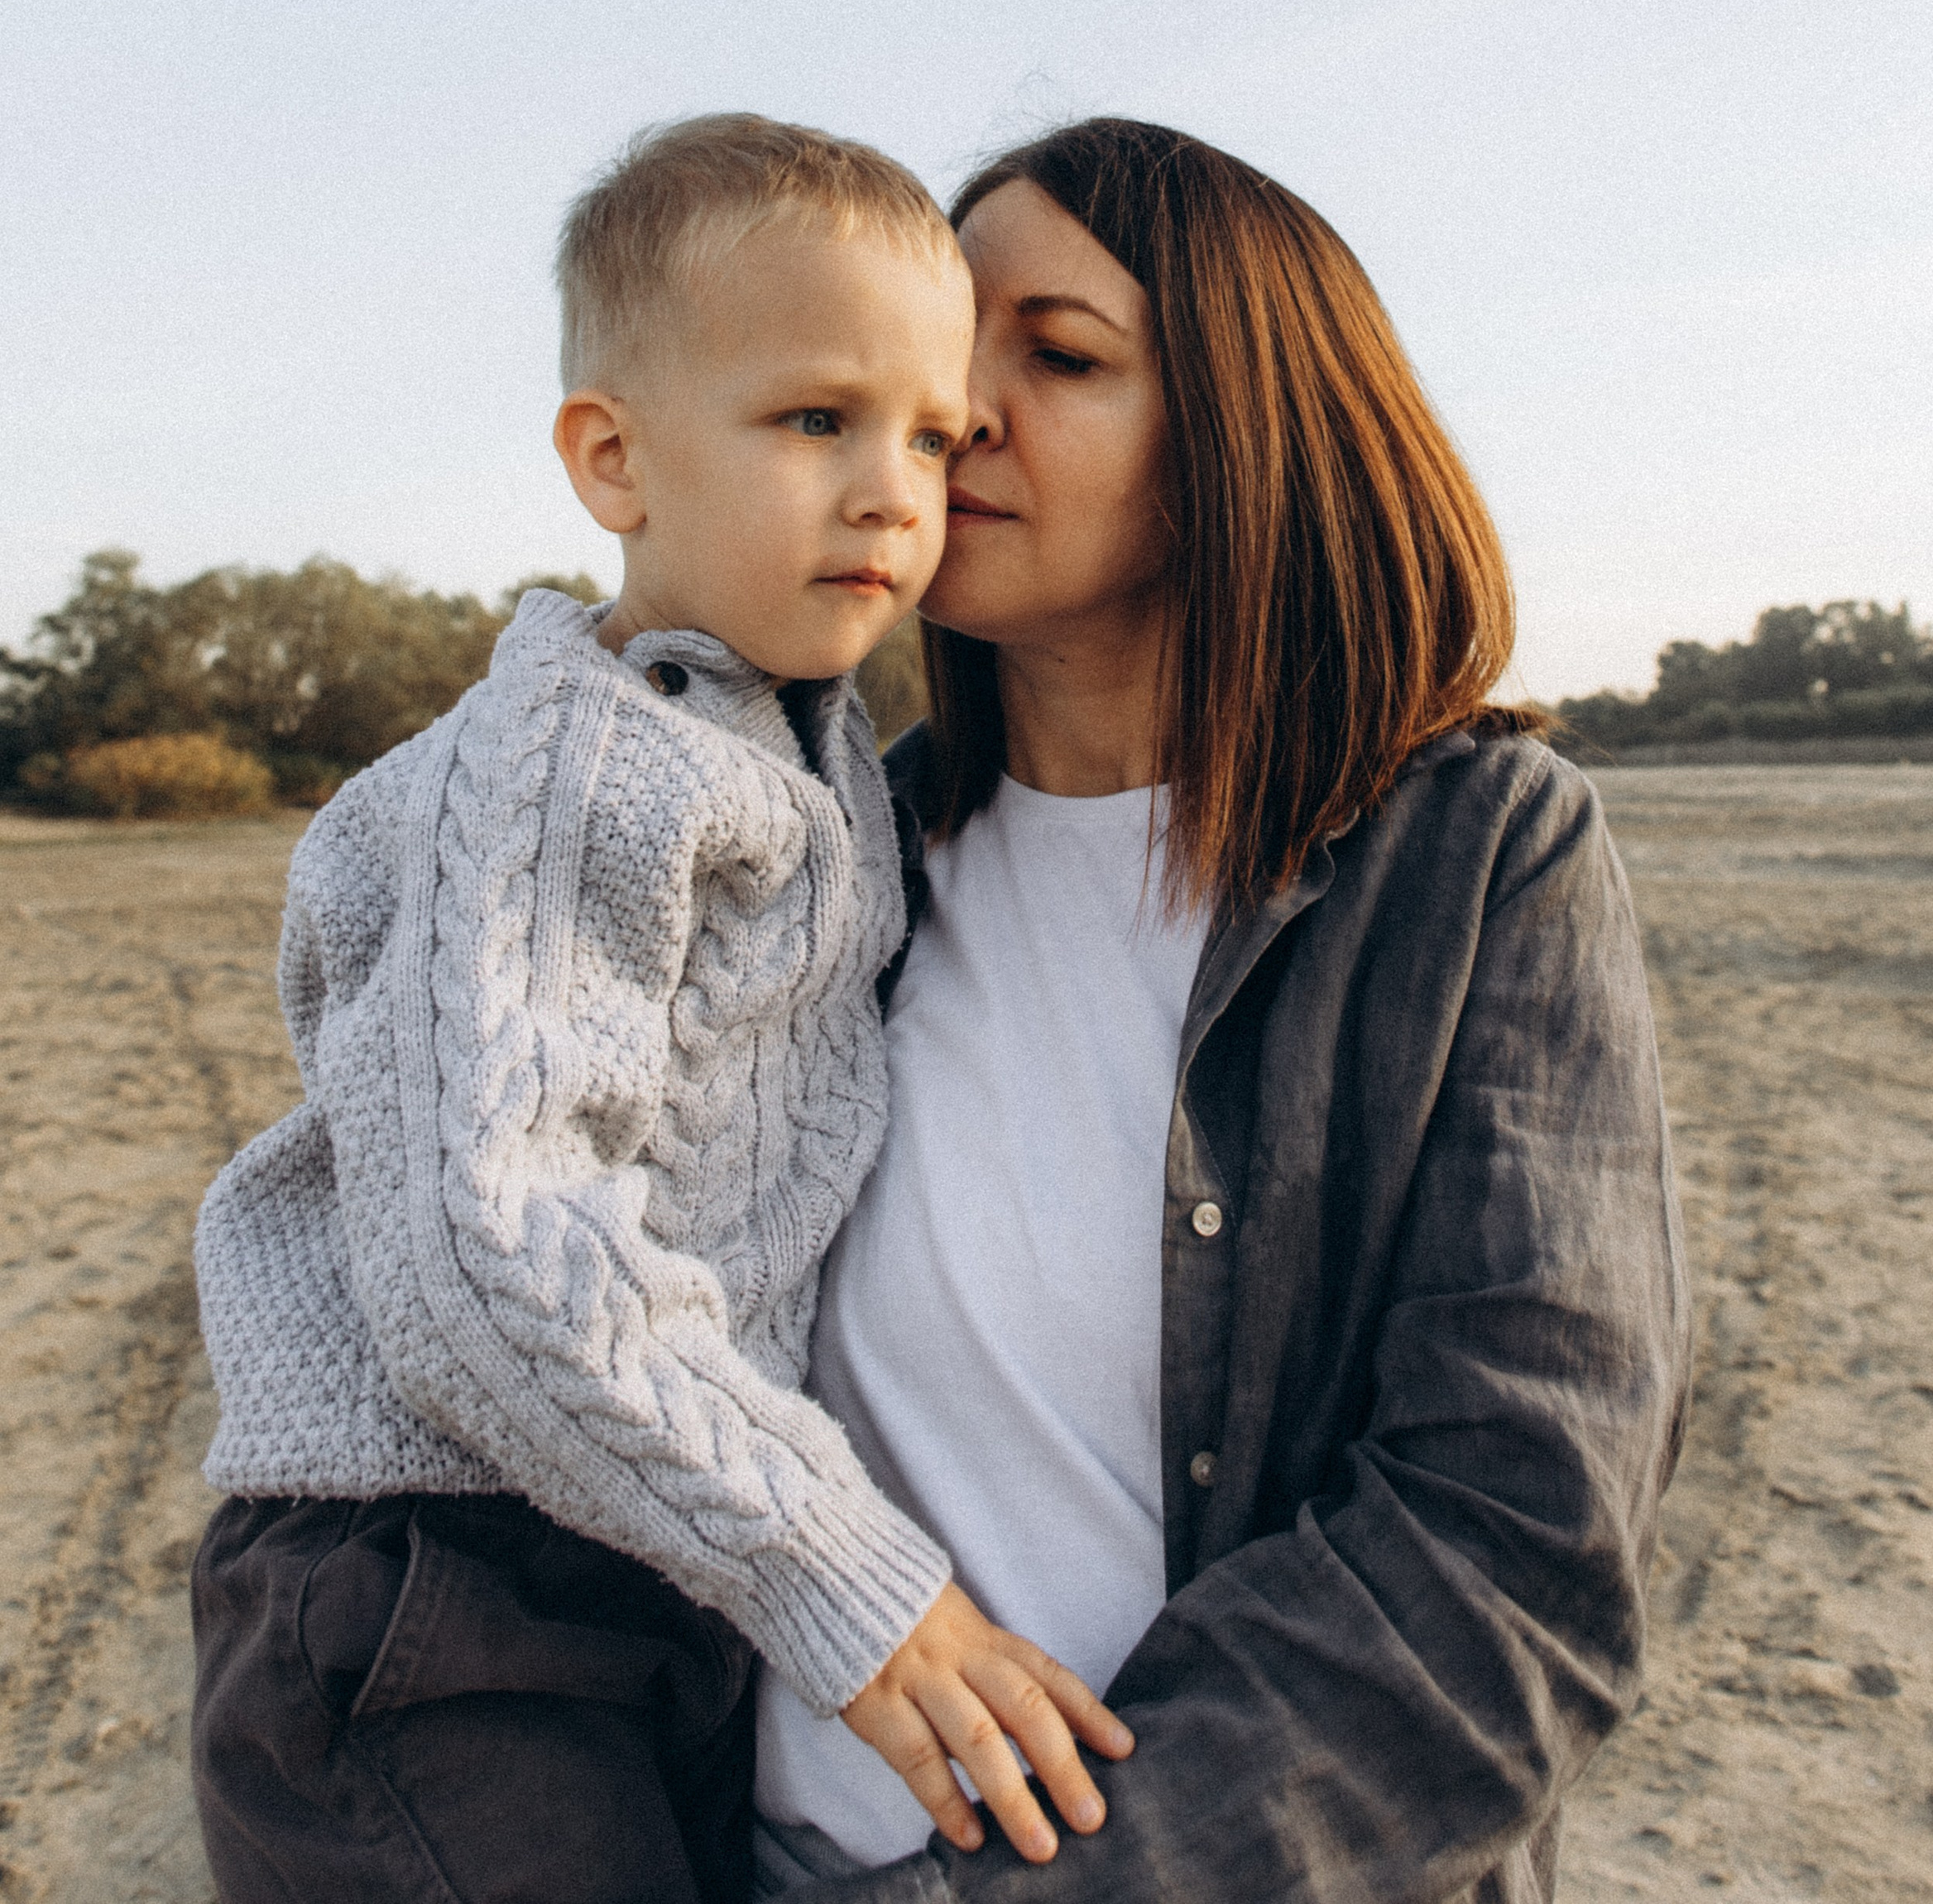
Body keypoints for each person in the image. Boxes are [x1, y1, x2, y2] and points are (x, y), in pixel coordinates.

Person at [188, 115, 1130, 1904]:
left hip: (635, 1561)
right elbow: (487, 1253)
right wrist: (849, 1577)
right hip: (435, 1587)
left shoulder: (793, 746)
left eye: (930, 436)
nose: (893, 491)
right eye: (814, 420)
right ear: (612, 459)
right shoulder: (574, 765)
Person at [752, 117, 1691, 1901]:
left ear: (1245, 438)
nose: (957, 414)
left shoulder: (1472, 858)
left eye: (1062, 356)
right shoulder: (820, 857)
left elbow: (1511, 1558)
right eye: (950, 352)